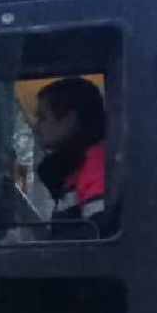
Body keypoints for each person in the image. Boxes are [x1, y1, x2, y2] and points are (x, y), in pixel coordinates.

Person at [32, 76, 108, 228]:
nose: (36, 128)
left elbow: (97, 238)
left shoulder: (96, 163)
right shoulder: (74, 168)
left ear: (69, 119)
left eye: (42, 118)